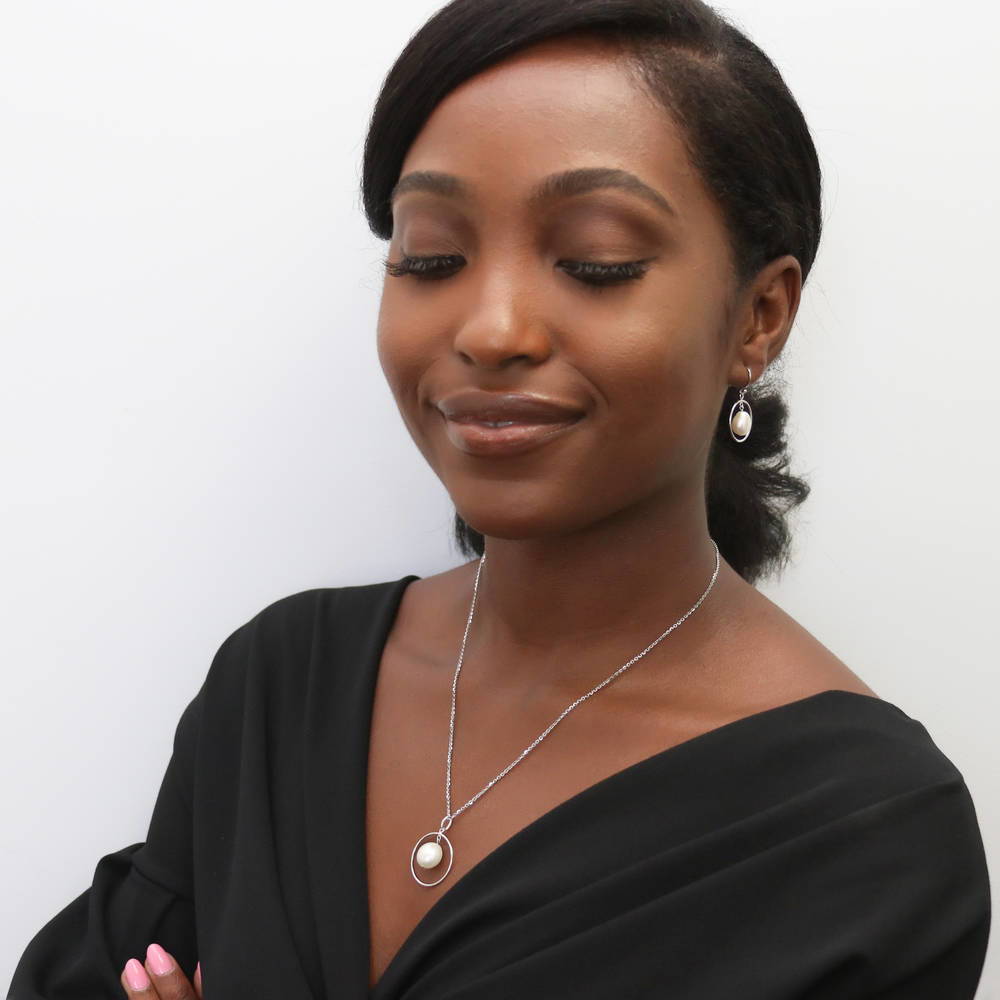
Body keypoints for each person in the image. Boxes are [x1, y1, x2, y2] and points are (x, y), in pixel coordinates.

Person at [9, 0, 991, 997]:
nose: (491, 330)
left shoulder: (867, 840)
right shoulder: (278, 694)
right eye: (432, 257)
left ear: (759, 316)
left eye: (595, 261)